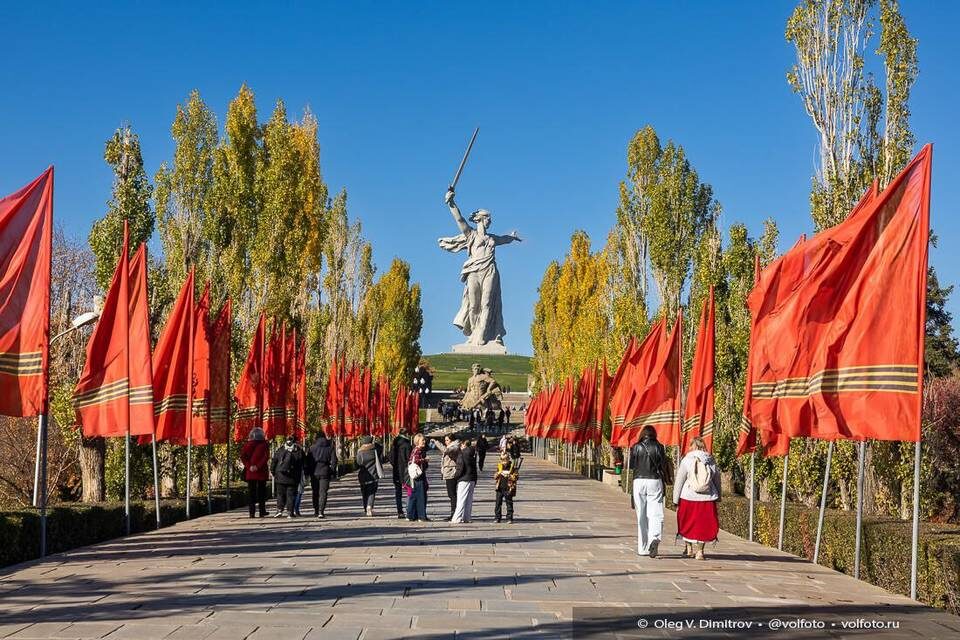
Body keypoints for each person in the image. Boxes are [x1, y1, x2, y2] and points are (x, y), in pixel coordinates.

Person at [673, 437, 721, 560]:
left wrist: (675, 499)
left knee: (687, 523)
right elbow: (716, 480)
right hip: (707, 498)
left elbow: (679, 480)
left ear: (691, 447)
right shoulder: (710, 460)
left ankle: (689, 549)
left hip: (688, 497)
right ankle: (700, 551)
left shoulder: (686, 459)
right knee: (703, 525)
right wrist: (718, 496)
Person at [628, 425, 671, 557]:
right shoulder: (659, 447)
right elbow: (663, 465)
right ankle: (655, 537)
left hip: (639, 481)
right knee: (656, 512)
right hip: (654, 480)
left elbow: (631, 466)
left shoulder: (636, 447)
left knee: (641, 515)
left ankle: (643, 548)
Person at [271, 435, 304, 518]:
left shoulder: (280, 450)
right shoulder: (299, 451)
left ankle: (279, 510)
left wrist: (274, 472)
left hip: (280, 476)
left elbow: (274, 462)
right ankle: (290, 512)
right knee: (291, 495)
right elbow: (303, 463)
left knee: (280, 494)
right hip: (293, 477)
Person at [306, 432, 338, 518]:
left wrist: (308, 472)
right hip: (325, 471)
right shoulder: (330, 447)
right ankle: (321, 511)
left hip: (314, 472)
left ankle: (316, 510)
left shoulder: (312, 448)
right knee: (323, 492)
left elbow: (308, 461)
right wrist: (332, 471)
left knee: (315, 492)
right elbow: (334, 461)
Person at [240, 427, 269, 518]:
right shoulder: (264, 445)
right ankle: (262, 511)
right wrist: (258, 466)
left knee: (251, 493)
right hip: (261, 472)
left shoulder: (247, 445)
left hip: (250, 472)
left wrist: (249, 466)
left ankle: (251, 513)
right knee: (261, 493)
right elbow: (265, 457)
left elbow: (243, 457)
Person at [434, 433, 462, 520]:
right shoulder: (452, 446)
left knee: (452, 494)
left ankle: (454, 513)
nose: (446, 442)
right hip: (448, 471)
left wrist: (437, 443)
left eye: (447, 440)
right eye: (445, 440)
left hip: (451, 472)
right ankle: (454, 512)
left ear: (452, 440)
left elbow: (446, 451)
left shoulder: (454, 447)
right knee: (451, 494)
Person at [452, 438, 478, 523]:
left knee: (461, 499)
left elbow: (460, 467)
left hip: (463, 479)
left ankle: (457, 518)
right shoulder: (473, 453)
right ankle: (467, 517)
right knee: (469, 500)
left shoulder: (462, 454)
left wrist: (455, 477)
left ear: (463, 445)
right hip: (472, 479)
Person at [356, 435, 383, 516]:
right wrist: (375, 440)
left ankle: (365, 508)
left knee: (364, 493)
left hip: (363, 476)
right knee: (372, 492)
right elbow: (380, 447)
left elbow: (358, 463)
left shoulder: (360, 452)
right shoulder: (375, 450)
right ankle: (369, 506)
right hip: (373, 475)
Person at [390, 428, 413, 519]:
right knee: (409, 490)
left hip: (396, 470)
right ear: (406, 434)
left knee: (398, 491)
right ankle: (409, 510)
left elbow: (391, 458)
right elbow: (409, 458)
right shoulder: (407, 444)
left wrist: (396, 466)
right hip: (405, 471)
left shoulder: (394, 444)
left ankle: (400, 511)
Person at [406, 433, 429, 522]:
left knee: (414, 495)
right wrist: (424, 460)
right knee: (421, 496)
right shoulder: (418, 450)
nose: (424, 442)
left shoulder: (416, 449)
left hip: (416, 475)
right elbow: (415, 460)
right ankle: (421, 516)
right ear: (417, 441)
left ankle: (411, 515)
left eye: (424, 440)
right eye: (422, 440)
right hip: (418, 475)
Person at [494, 450, 518, 523]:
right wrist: (498, 473)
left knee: (509, 503)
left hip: (508, 487)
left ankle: (509, 518)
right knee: (498, 503)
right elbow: (495, 476)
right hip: (500, 487)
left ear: (508, 459)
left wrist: (511, 475)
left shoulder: (512, 467)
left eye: (505, 460)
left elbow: (516, 477)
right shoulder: (499, 466)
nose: (504, 462)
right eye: (502, 460)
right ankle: (497, 517)